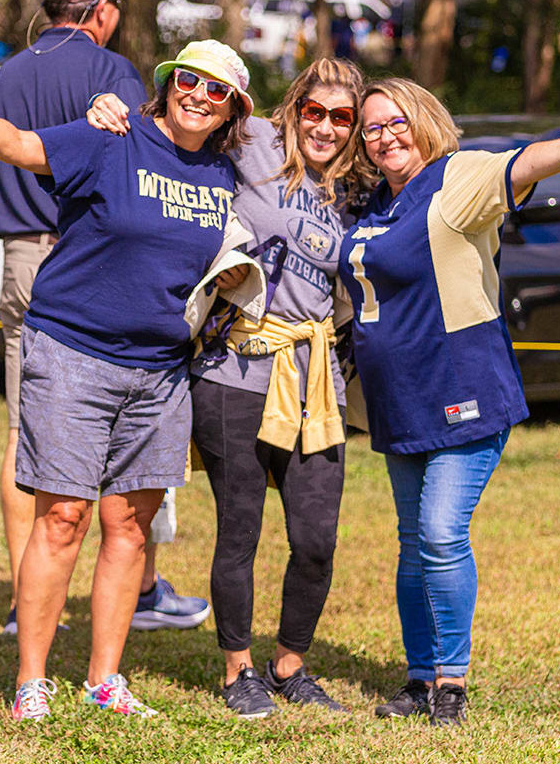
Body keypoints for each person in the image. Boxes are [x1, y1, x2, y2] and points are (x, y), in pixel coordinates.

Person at [0, 39, 254, 720]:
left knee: (131, 527)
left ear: (231, 110)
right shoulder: (111, 135)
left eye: (216, 91)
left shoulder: (224, 172)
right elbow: (18, 145)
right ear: (167, 82)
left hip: (160, 372)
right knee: (63, 516)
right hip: (72, 352)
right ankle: (31, 679)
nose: (197, 95)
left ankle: (104, 679)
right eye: (187, 79)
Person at [340, 78, 560, 725]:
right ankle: (418, 674)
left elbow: (522, 164)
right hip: (398, 398)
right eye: (370, 128)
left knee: (439, 531)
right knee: (410, 542)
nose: (384, 136)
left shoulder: (457, 178)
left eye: (394, 121)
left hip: (462, 386)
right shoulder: (373, 202)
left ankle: (450, 683)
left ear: (422, 118)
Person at [87, 57, 371, 718]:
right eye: (314, 111)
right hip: (234, 368)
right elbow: (186, 114)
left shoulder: (358, 188)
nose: (325, 127)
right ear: (293, 108)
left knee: (316, 536)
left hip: (313, 376)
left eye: (341, 117)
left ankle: (290, 664)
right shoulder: (255, 142)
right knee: (239, 526)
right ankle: (237, 667)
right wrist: (114, 103)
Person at [0, 0, 207, 638]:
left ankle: (26, 596)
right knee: (121, 444)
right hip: (88, 269)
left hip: (20, 258)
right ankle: (138, 590)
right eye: (118, 5)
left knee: (25, 434)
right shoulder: (112, 71)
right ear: (101, 11)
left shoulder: (8, 71)